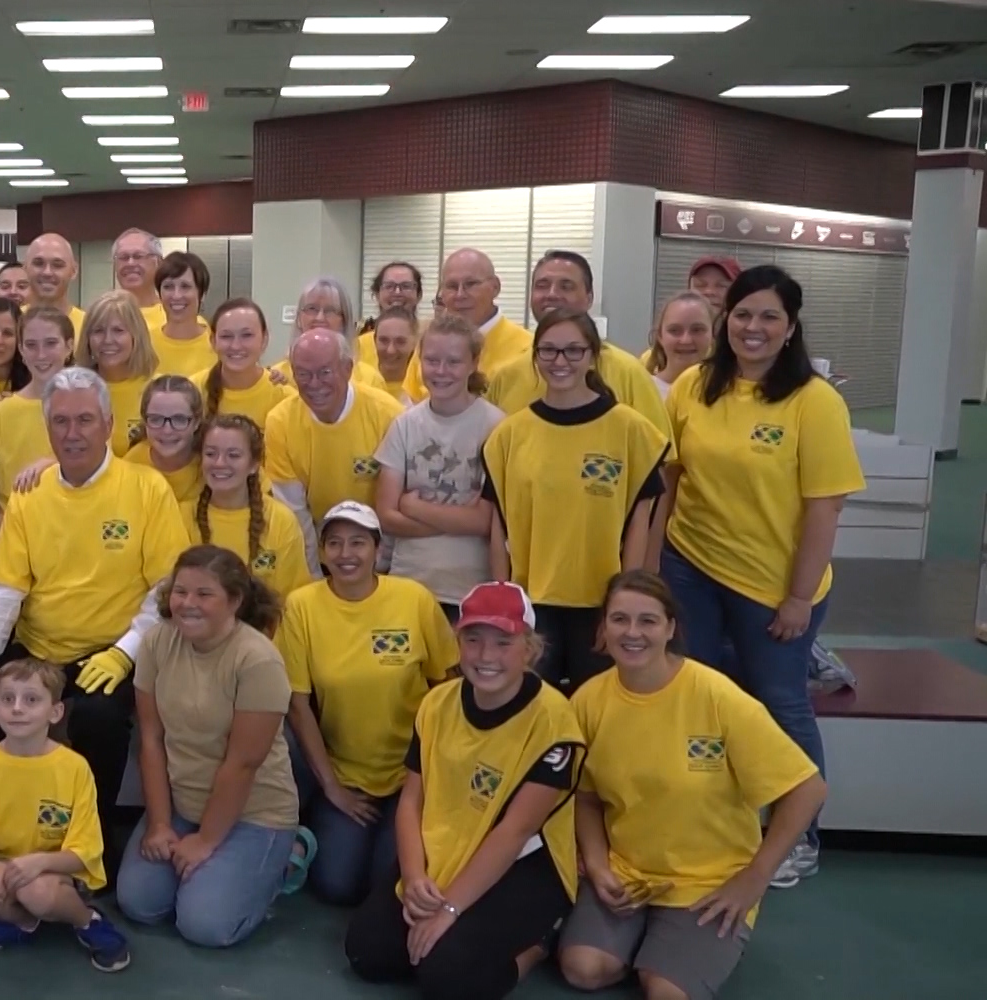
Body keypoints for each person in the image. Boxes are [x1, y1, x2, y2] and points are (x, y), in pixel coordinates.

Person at [660, 264, 862, 886]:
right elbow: (670, 481)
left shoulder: (814, 402)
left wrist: (799, 599)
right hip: (691, 565)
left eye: (769, 316)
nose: (753, 327)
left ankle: (799, 832)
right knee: (705, 696)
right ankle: (719, 822)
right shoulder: (693, 386)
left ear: (791, 327)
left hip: (773, 586)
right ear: (727, 320)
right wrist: (648, 572)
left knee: (780, 704)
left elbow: (824, 507)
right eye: (743, 314)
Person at [0, 367, 190, 864]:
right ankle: (3, 828)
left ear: (108, 423)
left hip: (113, 649)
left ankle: (90, 845)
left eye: (85, 420)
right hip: (39, 650)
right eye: (61, 422)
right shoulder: (29, 495)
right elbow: (6, 589)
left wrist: (124, 655)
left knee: (100, 719)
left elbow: (166, 592)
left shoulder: (147, 489)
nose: (73, 433)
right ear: (48, 427)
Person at [560, 571, 827, 1000]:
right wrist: (596, 864)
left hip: (710, 881)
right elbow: (586, 796)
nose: (632, 633)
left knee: (665, 991)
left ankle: (672, 950)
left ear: (670, 629)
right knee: (582, 969)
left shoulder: (717, 697)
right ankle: (649, 941)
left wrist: (755, 878)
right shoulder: (588, 701)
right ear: (603, 629)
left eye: (647, 621)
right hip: (628, 873)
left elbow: (807, 789)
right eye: (619, 620)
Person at [345, 581, 584, 1000]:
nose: (485, 656)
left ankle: (538, 945)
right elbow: (411, 800)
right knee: (369, 955)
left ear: (530, 649)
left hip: (522, 863)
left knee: (449, 980)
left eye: (502, 642)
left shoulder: (553, 721)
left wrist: (449, 910)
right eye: (473, 640)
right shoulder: (437, 704)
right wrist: (415, 876)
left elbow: (514, 831)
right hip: (445, 849)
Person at [118, 545, 299, 948]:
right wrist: (161, 824)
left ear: (234, 601)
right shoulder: (157, 643)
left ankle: (284, 859)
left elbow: (244, 763)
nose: (188, 604)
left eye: (204, 594)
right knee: (140, 904)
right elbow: (150, 739)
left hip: (254, 812)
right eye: (181, 592)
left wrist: (206, 842)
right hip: (183, 806)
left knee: (204, 926)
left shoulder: (257, 660)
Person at [280, 502, 459, 906]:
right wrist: (332, 787)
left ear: (377, 549)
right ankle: (308, 825)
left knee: (385, 883)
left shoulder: (413, 598)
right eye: (335, 544)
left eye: (358, 542)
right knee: (336, 886)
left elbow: (446, 686)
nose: (346, 554)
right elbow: (298, 704)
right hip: (346, 771)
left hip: (410, 772)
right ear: (322, 552)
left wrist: (431, 775)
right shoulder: (301, 606)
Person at [484, 310, 668, 692]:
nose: (560, 361)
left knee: (600, 710)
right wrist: (504, 599)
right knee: (535, 712)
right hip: (534, 604)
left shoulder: (630, 430)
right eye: (548, 351)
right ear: (535, 357)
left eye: (572, 350)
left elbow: (640, 522)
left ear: (592, 355)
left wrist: (625, 602)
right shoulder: (510, 434)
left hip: (601, 603)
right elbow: (498, 524)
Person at [0, 657, 129, 973]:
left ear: (55, 711)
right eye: (8, 699)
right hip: (6, 865)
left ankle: (86, 920)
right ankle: (23, 922)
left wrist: (40, 863)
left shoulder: (74, 768)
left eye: (31, 699)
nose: (17, 708)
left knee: (37, 891)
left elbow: (85, 850)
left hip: (59, 871)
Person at [374, 316, 505, 617]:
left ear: (473, 363)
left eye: (453, 362)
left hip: (471, 589)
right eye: (432, 360)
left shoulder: (497, 427)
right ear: (419, 361)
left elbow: (486, 522)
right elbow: (387, 516)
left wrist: (414, 507)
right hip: (409, 584)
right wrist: (458, 519)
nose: (441, 371)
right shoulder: (404, 425)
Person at [486, 251, 670, 436]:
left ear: (589, 298)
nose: (552, 294)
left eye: (566, 286)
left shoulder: (629, 372)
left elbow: (659, 455)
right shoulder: (506, 375)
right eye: (542, 286)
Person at [266, 328, 405, 573]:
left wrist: (383, 570)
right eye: (303, 374)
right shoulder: (280, 421)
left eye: (325, 372)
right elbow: (295, 515)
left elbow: (398, 505)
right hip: (321, 555)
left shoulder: (388, 414)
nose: (314, 384)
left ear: (348, 369)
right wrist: (315, 579)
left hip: (382, 556)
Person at [187, 414, 311, 599]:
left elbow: (292, 600)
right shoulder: (181, 516)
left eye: (233, 455)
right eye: (211, 454)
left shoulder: (280, 520)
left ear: (254, 465)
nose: (220, 463)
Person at [401, 248, 534, 401]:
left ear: (495, 287)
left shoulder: (528, 349)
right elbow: (410, 404)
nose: (460, 295)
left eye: (470, 284)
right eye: (451, 286)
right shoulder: (430, 344)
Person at [0, 305, 73, 504]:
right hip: (14, 524)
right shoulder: (4, 412)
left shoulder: (89, 408)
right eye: (31, 345)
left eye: (50, 343)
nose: (41, 355)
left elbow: (101, 463)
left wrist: (52, 464)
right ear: (21, 350)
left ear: (69, 346)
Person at [77, 290, 160, 456]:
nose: (108, 340)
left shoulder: (159, 390)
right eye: (98, 331)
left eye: (118, 330)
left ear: (136, 336)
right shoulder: (75, 390)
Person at [197, 298, 294, 428]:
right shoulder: (195, 390)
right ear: (213, 341)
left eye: (247, 335)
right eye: (226, 336)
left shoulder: (285, 398)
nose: (236, 346)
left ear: (264, 339)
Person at [270, 277, 379, 391]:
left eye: (330, 310)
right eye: (311, 308)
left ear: (344, 320)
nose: (320, 318)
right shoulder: (277, 377)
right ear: (298, 318)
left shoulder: (369, 379)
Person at [125, 374, 205, 503]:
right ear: (144, 421)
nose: (167, 430)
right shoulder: (132, 466)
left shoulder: (208, 464)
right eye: (156, 419)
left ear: (196, 422)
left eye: (179, 419)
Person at [150, 251, 217, 379]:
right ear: (159, 294)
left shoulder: (218, 344)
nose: (176, 295)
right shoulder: (144, 345)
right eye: (168, 287)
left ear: (202, 294)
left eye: (185, 286)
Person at [647, 292, 714, 397]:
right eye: (674, 330)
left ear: (713, 335)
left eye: (697, 330)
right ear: (660, 336)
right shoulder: (643, 391)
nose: (685, 340)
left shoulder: (727, 393)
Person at [21, 232, 86, 332]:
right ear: (25, 268)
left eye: (57, 265)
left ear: (74, 271)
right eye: (38, 263)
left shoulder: (88, 327)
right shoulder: (12, 322)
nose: (47, 272)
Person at [362, 261, 424, 365]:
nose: (397, 292)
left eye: (406, 286)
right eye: (389, 286)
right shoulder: (359, 346)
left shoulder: (431, 343)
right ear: (377, 294)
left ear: (419, 295)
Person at [112, 227, 166, 329]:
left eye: (138, 256)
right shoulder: (103, 315)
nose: (130, 263)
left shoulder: (175, 316)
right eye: (123, 257)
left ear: (158, 262)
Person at [371, 307, 419, 404]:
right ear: (374, 340)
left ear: (414, 343)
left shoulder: (423, 390)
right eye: (384, 340)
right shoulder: (360, 381)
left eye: (400, 342)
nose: (390, 350)